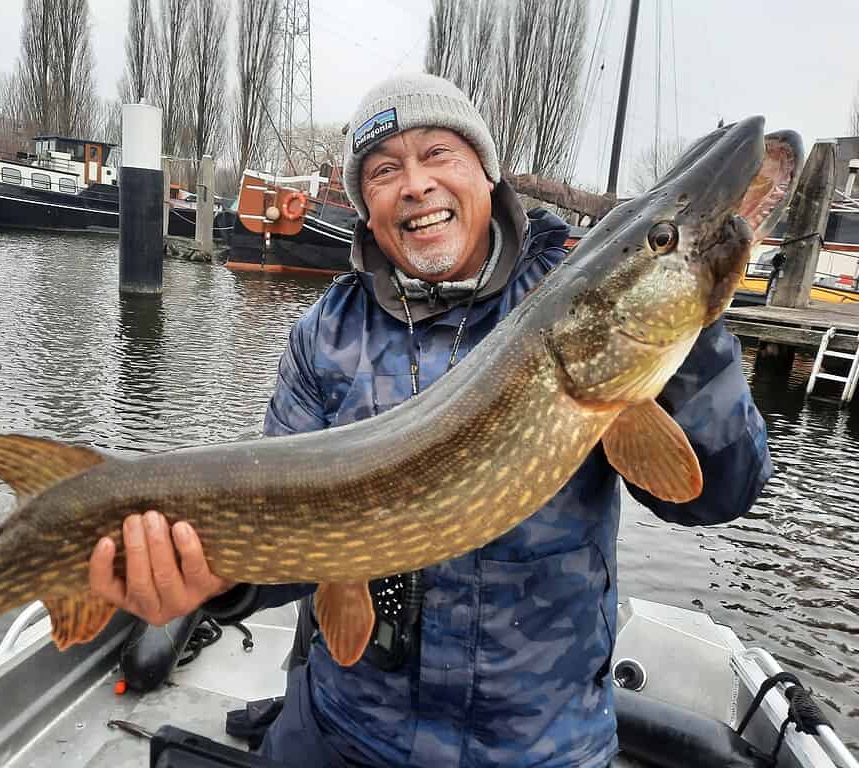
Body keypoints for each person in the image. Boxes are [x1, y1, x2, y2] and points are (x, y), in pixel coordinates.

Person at [89, 74, 772, 767]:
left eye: (439, 153)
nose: (415, 184)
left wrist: (690, 319)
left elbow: (719, 493)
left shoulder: (570, 298)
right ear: (366, 206)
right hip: (346, 730)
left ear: (485, 170)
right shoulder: (326, 336)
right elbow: (284, 531)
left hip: (539, 746)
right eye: (385, 170)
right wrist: (222, 579)